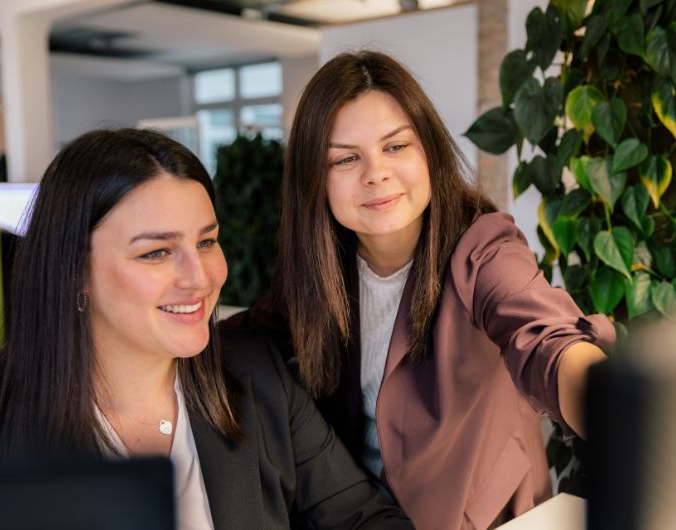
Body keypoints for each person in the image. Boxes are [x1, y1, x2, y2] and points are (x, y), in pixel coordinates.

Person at [230, 51, 617, 530]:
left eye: (396, 147)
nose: (376, 172)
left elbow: (548, 341)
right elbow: (255, 329)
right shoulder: (321, 270)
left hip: (478, 519)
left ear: (429, 150)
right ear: (315, 181)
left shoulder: (483, 247)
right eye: (347, 158)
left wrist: (623, 420)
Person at [0, 128, 413, 530]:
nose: (200, 277)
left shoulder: (258, 378)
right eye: (156, 252)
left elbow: (361, 516)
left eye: (206, 241)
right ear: (74, 271)